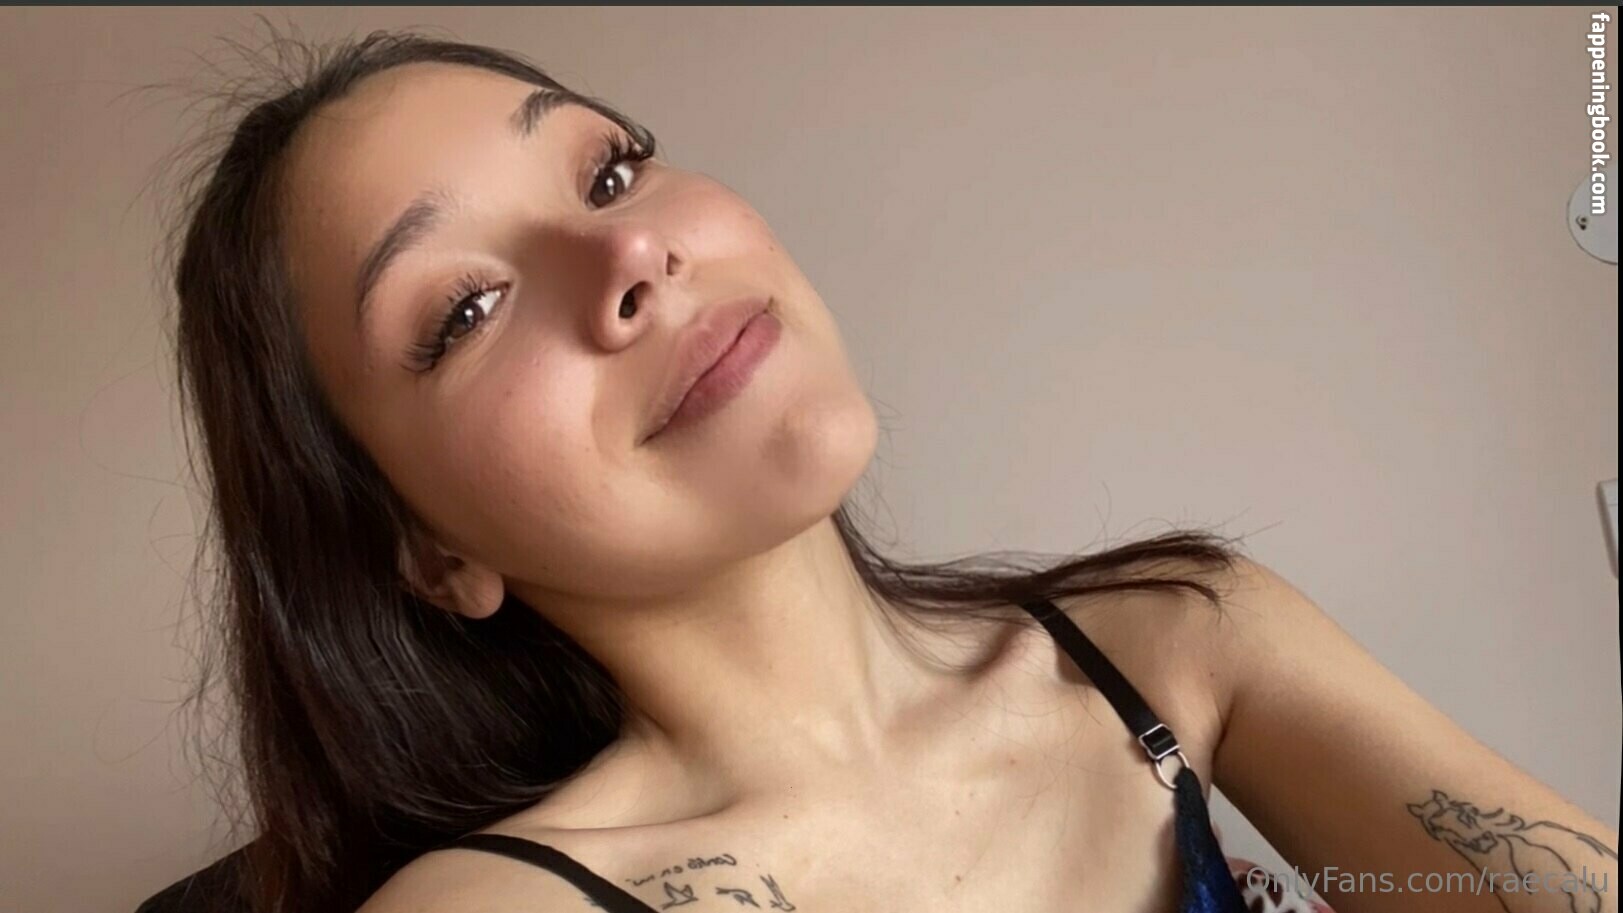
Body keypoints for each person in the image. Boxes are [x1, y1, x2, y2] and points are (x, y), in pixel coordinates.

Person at [164, 27, 1618, 913]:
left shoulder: (1180, 642)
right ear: (428, 549)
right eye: (468, 308)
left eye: (608, 173)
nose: (628, 251)